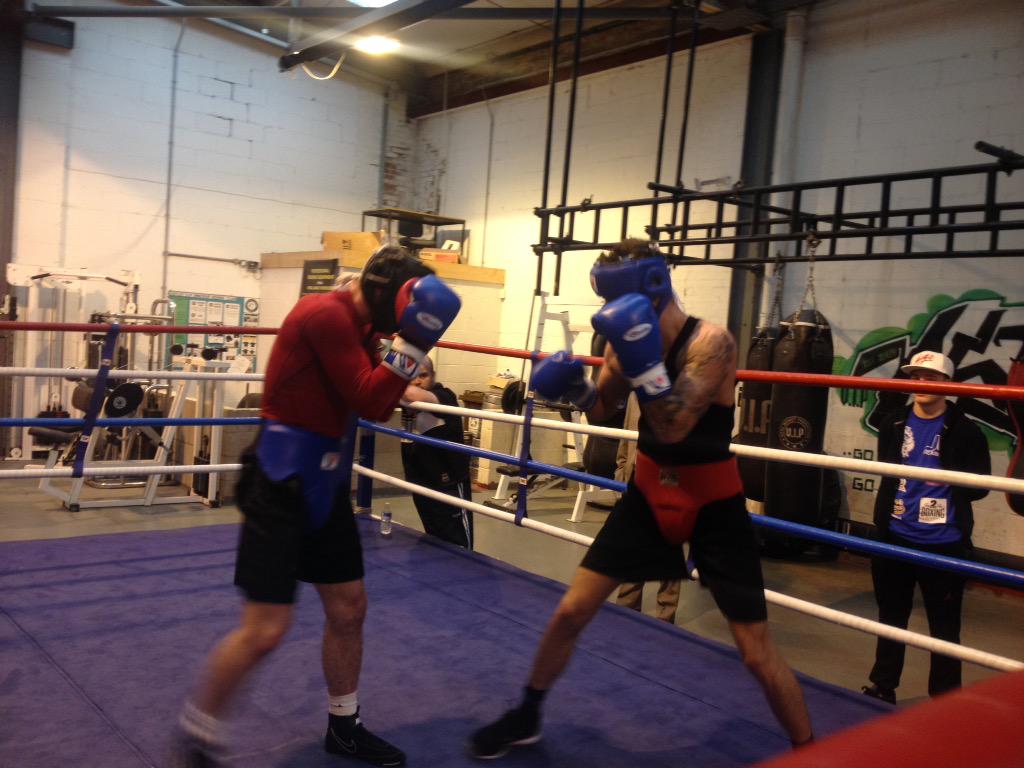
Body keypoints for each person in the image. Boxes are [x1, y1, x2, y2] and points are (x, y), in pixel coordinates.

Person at [469, 238, 813, 759]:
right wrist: (578, 389)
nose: (610, 310)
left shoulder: (711, 343)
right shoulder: (617, 341)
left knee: (754, 651)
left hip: (712, 502)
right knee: (571, 611)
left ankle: (811, 749)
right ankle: (527, 715)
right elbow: (602, 413)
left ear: (652, 286)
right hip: (649, 492)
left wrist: (643, 361)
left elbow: (674, 424)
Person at [172, 245, 461, 768]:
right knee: (265, 629)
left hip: (325, 488)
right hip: (281, 485)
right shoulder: (323, 315)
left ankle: (344, 727)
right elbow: (369, 398)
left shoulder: (364, 327)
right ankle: (197, 739)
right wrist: (417, 339)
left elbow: (374, 383)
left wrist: (417, 396)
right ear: (382, 299)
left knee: (349, 609)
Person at [862, 350, 990, 705]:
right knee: (890, 617)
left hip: (943, 541)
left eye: (930, 378)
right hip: (895, 536)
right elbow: (888, 476)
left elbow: (980, 487)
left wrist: (946, 479)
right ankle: (882, 686)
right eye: (915, 377)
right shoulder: (893, 423)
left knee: (944, 627)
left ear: (947, 385)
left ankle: (945, 701)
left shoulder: (966, 431)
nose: (921, 384)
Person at [613, 392, 682, 623]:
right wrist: (621, 472)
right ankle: (626, 611)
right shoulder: (635, 393)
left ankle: (666, 616)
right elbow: (626, 436)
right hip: (636, 477)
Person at [399, 356, 474, 549]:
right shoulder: (404, 398)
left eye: (423, 375)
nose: (417, 381)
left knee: (459, 546)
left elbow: (412, 395)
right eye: (412, 376)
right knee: (434, 539)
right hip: (421, 481)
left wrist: (391, 378)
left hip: (448, 484)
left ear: (433, 376)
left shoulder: (444, 395)